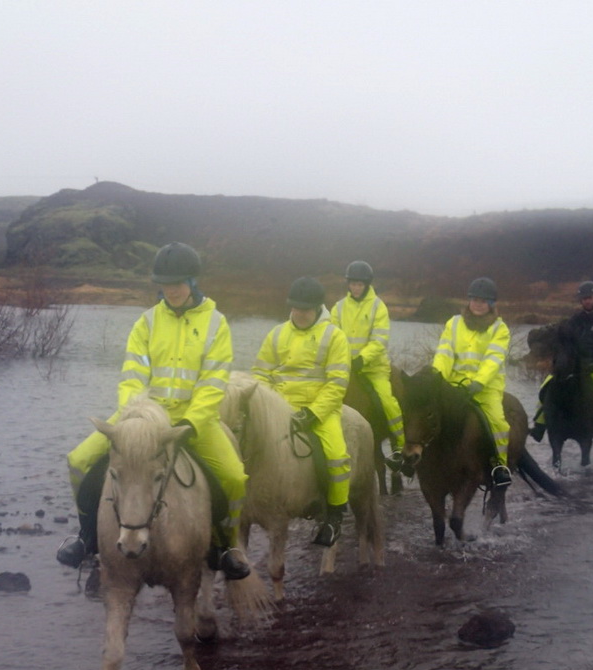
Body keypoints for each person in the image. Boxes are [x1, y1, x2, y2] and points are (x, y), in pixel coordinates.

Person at [58, 242, 251, 580]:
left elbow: (213, 380)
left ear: (192, 282)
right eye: (164, 284)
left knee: (234, 476)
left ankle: (226, 546)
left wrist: (192, 420)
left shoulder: (216, 324)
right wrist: (135, 417)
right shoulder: (146, 322)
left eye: (177, 283)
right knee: (78, 460)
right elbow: (132, 376)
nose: (171, 290)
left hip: (193, 420)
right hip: (141, 418)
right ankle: (86, 536)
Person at [253, 277, 352, 546]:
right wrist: (270, 404)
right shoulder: (276, 334)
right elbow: (260, 374)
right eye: (296, 308)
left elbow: (337, 383)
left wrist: (314, 413)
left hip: (320, 409)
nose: (300, 313)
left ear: (318, 308)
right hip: (280, 407)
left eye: (306, 309)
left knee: (336, 455)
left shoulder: (335, 337)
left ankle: (334, 516)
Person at [432, 277, 512, 487]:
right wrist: (436, 376)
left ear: (492, 304)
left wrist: (478, 383)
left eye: (483, 301)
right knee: (426, 414)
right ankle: (416, 455)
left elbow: (493, 360)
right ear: (468, 301)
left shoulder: (499, 329)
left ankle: (499, 465)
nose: (478, 304)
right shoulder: (454, 323)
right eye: (475, 299)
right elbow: (445, 353)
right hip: (454, 384)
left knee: (498, 421)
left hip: (485, 387)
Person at [329, 260, 406, 472]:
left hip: (373, 367)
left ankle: (399, 447)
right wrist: (340, 358)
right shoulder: (338, 307)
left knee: (388, 401)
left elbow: (380, 339)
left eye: (359, 284)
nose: (355, 288)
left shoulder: (378, 306)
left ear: (367, 285)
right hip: (345, 366)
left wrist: (362, 358)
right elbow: (332, 335)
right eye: (352, 284)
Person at [531, 280, 593, 454]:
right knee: (544, 389)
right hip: (574, 365)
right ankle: (539, 425)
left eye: (590, 298)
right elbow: (564, 341)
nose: (587, 301)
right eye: (584, 299)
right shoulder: (574, 320)